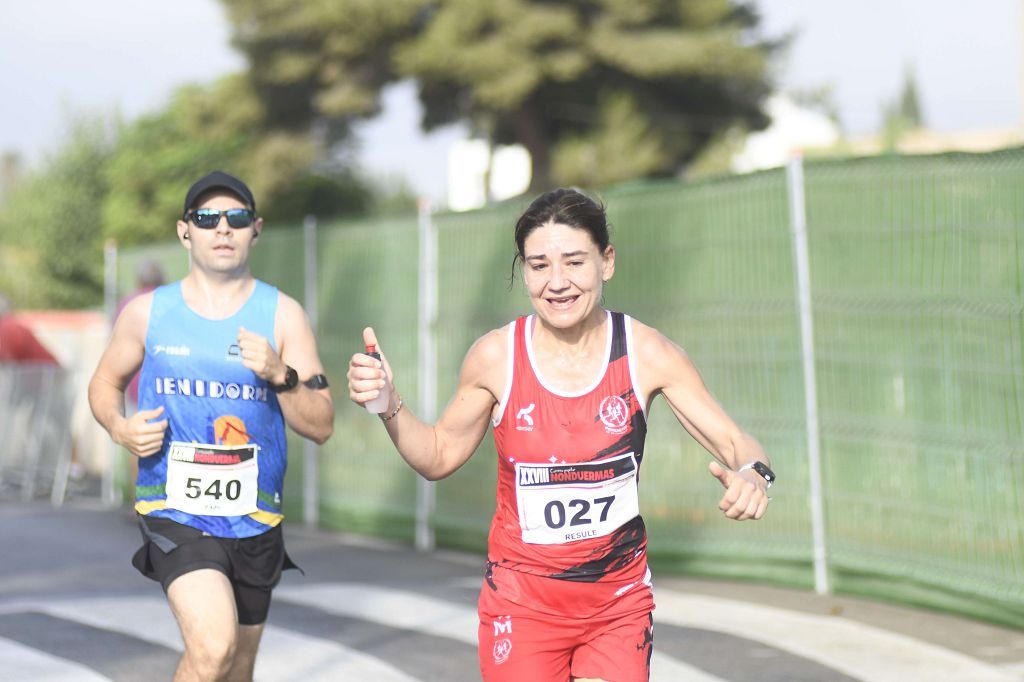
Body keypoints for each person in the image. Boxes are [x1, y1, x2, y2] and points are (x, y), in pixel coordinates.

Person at [347, 188, 774, 682]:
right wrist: (388, 406)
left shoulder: (645, 352)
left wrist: (755, 475)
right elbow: (438, 455)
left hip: (617, 603)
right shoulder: (496, 357)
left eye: (574, 262)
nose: (557, 283)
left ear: (606, 262)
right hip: (522, 604)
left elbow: (736, 442)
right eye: (538, 265)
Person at [89, 170, 334, 682]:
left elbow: (322, 422)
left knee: (237, 666)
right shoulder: (147, 313)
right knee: (214, 646)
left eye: (236, 218)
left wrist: (280, 375)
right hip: (173, 507)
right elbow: (104, 385)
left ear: (255, 229)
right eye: (206, 218)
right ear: (186, 232)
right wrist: (118, 427)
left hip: (256, 515)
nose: (222, 228)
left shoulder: (283, 316)